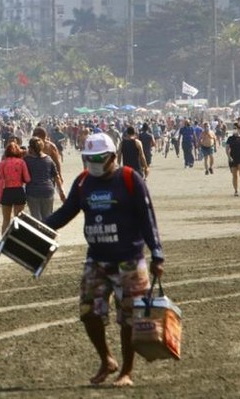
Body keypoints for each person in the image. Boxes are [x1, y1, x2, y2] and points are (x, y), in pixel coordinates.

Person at [44, 132, 164, 388]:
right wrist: (38, 226)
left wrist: (157, 253)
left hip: (129, 260)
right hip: (96, 260)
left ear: (111, 157)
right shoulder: (83, 182)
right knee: (88, 312)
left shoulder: (130, 179)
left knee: (129, 318)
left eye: (98, 158)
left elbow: (147, 218)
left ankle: (126, 371)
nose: (94, 163)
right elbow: (65, 213)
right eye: (89, 158)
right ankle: (106, 359)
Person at [23, 137, 65, 221]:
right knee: (48, 218)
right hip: (48, 191)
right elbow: (56, 176)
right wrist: (61, 191)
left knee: (36, 220)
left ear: (31, 148)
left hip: (32, 192)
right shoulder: (48, 159)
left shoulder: (27, 160)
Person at [0, 141, 30, 234]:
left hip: (7, 192)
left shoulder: (2, 163)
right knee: (18, 220)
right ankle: (16, 239)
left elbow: (1, 181)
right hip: (18, 191)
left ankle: (4, 240)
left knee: (6, 220)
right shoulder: (21, 162)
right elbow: (27, 179)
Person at [226, 123, 240, 196]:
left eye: (236, 128)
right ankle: (236, 191)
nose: (234, 129)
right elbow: (227, 149)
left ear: (239, 129)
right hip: (232, 159)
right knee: (234, 175)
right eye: (233, 128)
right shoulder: (230, 138)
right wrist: (229, 157)